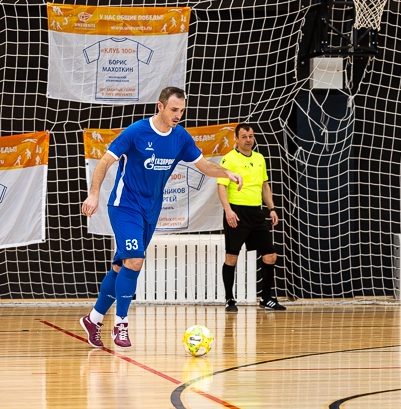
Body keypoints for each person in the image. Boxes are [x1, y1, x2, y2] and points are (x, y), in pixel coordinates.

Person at [80, 86, 243, 348]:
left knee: (121, 267)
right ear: (160, 106)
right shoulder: (136, 131)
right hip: (124, 206)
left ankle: (94, 319)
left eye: (182, 111)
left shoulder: (180, 138)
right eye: (174, 109)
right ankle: (121, 324)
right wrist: (94, 194)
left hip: (150, 211)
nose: (178, 115)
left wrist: (227, 173)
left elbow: (203, 165)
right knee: (135, 261)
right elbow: (104, 161)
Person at [216, 123, 286, 312]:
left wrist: (272, 208)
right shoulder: (229, 159)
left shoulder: (259, 158)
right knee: (231, 257)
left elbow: (264, 186)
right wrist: (228, 210)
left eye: (251, 136)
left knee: (270, 255)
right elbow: (221, 187)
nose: (248, 140)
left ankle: (266, 298)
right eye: (244, 137)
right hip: (237, 213)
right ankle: (229, 299)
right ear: (236, 139)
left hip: (257, 213)